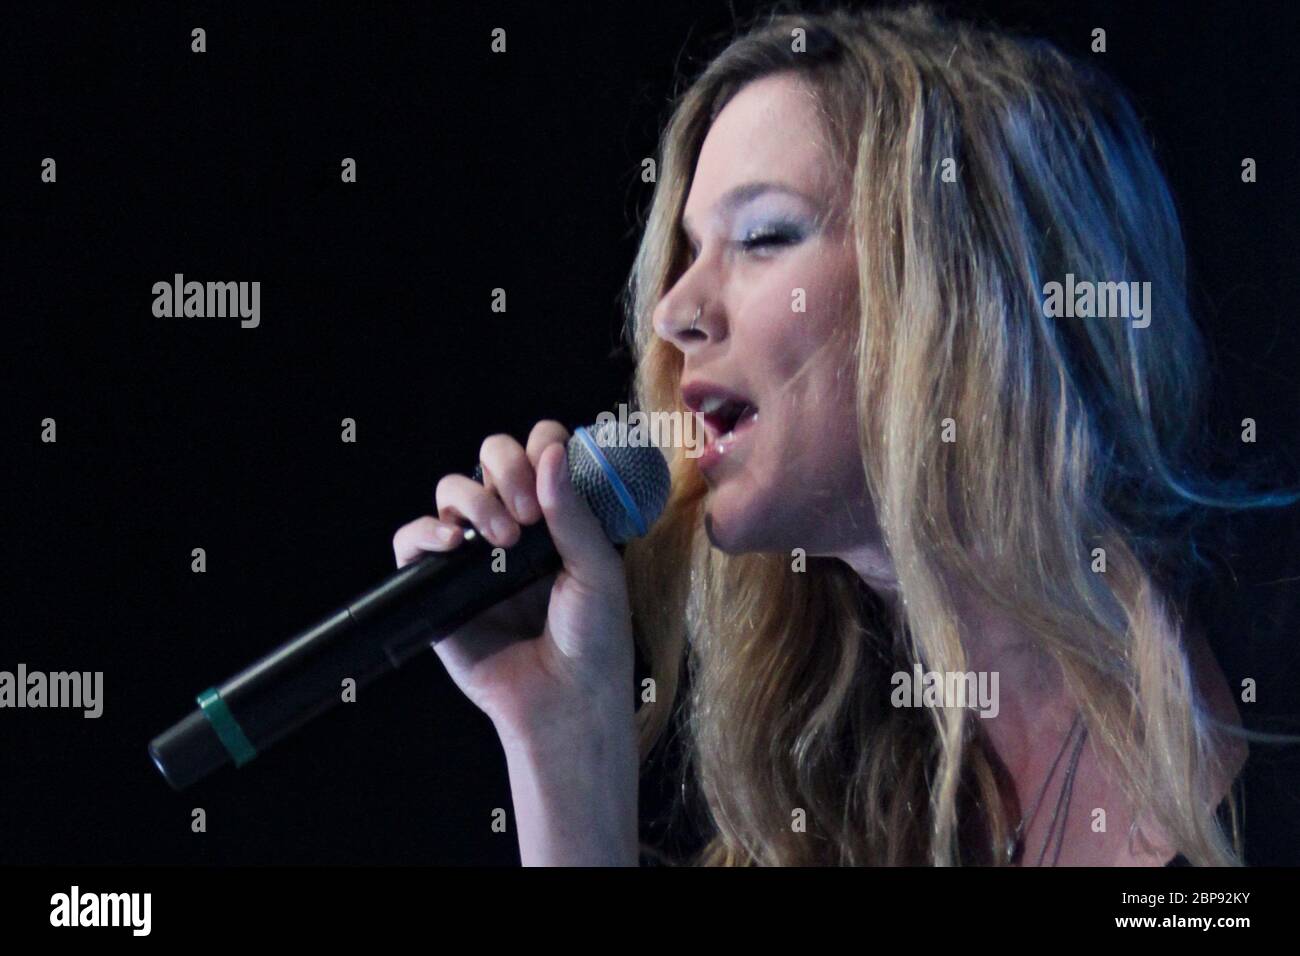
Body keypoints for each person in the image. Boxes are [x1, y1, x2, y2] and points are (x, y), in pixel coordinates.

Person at [392, 3, 1298, 865]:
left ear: (977, 297)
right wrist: (564, 756)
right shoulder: (815, 789)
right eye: (688, 248)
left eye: (764, 236)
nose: (674, 310)